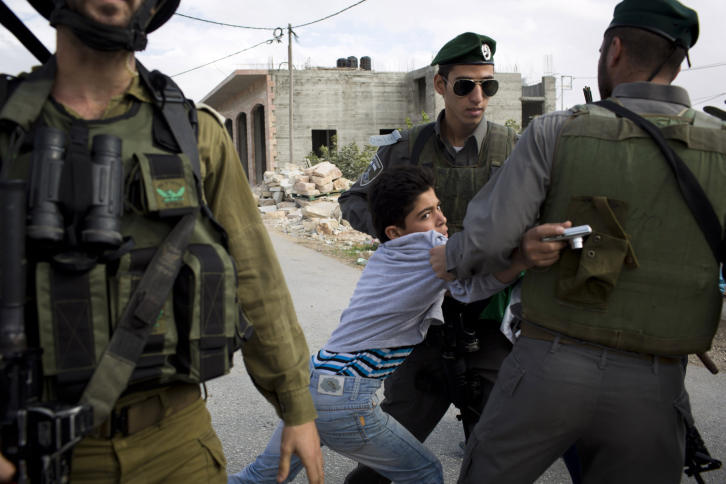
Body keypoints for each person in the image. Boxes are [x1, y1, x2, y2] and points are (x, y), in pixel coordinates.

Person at [0, 1, 322, 483]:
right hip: (30, 448)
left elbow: (256, 278)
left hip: (177, 444)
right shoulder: (9, 126)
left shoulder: (195, 133)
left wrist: (297, 407)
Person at [430, 1, 726, 482]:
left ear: (615, 50)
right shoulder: (721, 145)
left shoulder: (557, 130)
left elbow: (489, 239)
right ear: (680, 60)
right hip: (657, 380)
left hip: (550, 364)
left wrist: (449, 256)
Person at [229, 166, 549, 484]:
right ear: (395, 232)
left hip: (313, 383)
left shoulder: (388, 255)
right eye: (426, 215)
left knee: (259, 478)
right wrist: (523, 256)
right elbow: (477, 267)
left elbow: (464, 287)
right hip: (345, 395)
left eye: (438, 207)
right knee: (424, 472)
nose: (441, 219)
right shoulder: (427, 247)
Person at [338, 32, 519, 484]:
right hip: (420, 322)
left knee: (496, 457)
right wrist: (402, 240)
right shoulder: (405, 147)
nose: (478, 97)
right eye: (465, 85)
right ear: (440, 85)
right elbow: (354, 200)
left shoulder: (514, 148)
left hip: (488, 319)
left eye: (488, 86)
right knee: (388, 453)